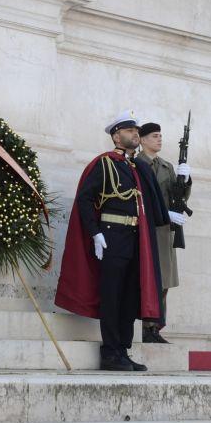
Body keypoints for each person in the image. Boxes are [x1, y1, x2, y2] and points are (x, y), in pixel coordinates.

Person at [55, 110, 170, 371]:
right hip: (111, 237)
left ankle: (123, 349)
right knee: (112, 295)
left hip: (134, 239)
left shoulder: (137, 167)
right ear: (116, 135)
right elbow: (85, 199)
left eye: (136, 131)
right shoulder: (103, 163)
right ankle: (110, 351)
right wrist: (95, 233)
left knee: (130, 296)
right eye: (130, 131)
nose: (135, 135)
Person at [137, 122, 191, 343]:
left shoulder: (167, 166)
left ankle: (155, 327)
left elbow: (179, 197)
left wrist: (186, 181)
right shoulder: (137, 164)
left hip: (165, 233)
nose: (159, 139)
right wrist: (164, 213)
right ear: (142, 140)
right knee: (148, 280)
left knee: (164, 282)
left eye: (160, 135)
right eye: (154, 136)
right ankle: (144, 326)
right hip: (147, 230)